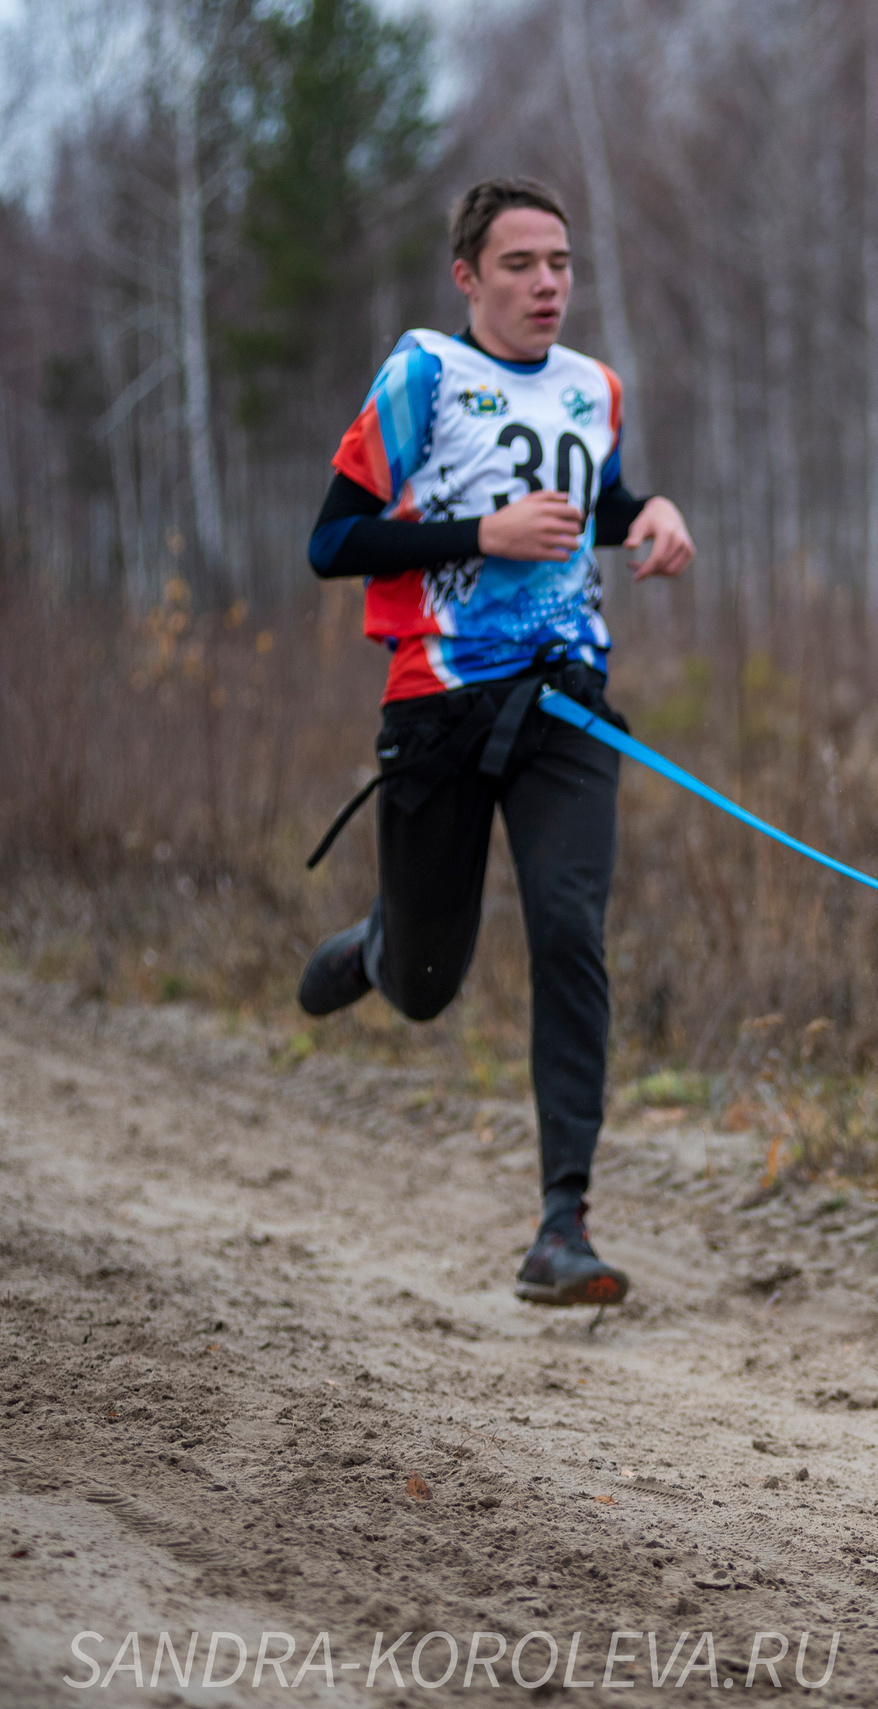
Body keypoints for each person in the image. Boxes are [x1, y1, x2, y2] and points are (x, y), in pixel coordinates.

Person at [296, 177, 694, 1309]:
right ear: (468, 277)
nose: (547, 284)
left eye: (560, 263)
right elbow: (331, 542)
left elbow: (598, 503)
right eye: (519, 264)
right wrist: (481, 533)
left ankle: (561, 1224)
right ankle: (382, 948)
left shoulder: (593, 388)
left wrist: (650, 515)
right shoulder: (424, 374)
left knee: (571, 927)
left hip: (565, 703)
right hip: (438, 706)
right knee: (428, 984)